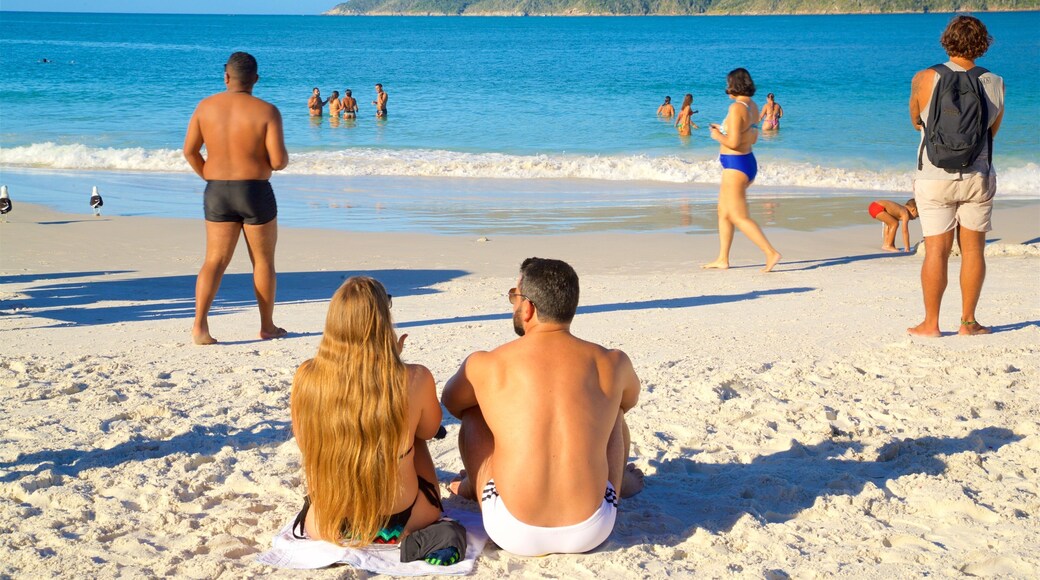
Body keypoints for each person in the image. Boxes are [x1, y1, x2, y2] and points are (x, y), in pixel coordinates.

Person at [441, 257, 643, 557]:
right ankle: (618, 483)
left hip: (511, 528)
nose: (513, 305)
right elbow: (629, 400)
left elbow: (453, 403)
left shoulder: (487, 363)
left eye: (515, 296)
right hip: (593, 527)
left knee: (474, 411)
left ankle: (473, 486)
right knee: (614, 409)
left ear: (529, 307)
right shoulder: (612, 361)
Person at [291, 277, 444, 545]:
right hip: (404, 519)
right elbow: (430, 431)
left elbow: (305, 444)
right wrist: (394, 364)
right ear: (384, 320)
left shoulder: (307, 375)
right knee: (414, 434)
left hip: (329, 523)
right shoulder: (415, 377)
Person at [907, 15, 1004, 337]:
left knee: (936, 250)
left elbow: (915, 121)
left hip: (933, 174)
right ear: (983, 44)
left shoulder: (924, 77)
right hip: (978, 174)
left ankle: (931, 324)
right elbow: (993, 131)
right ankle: (968, 322)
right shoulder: (994, 81)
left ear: (946, 40)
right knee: (974, 250)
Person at [183, 51, 289, 345]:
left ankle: (200, 328)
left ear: (226, 76)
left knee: (214, 261)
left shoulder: (205, 107)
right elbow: (278, 162)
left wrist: (208, 176)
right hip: (254, 191)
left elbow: (190, 151)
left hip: (217, 189)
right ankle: (266, 326)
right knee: (263, 261)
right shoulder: (267, 111)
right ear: (255, 79)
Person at [703, 68, 782, 272]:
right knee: (723, 212)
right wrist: (722, 129)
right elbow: (748, 134)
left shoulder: (737, 108)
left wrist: (716, 136)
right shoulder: (752, 105)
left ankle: (770, 252)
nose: (726, 87)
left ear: (734, 85)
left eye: (728, 83)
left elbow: (734, 141)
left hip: (736, 165)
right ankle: (722, 259)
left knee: (738, 215)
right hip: (744, 162)